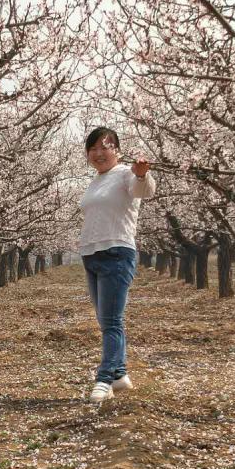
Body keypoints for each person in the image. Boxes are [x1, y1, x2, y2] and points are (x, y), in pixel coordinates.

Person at [78, 127, 156, 403]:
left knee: (111, 321)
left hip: (116, 252)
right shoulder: (96, 180)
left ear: (117, 150)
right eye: (93, 148)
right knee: (106, 320)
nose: (99, 153)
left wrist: (142, 172)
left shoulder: (125, 173)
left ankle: (104, 379)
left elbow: (143, 190)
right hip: (92, 254)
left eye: (105, 147)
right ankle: (120, 375)